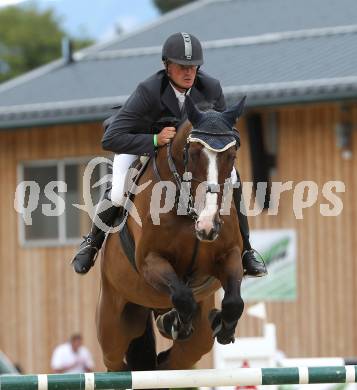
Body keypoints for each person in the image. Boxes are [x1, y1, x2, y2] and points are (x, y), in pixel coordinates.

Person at [71, 32, 267, 278]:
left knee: (234, 179)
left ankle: (247, 251)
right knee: (120, 191)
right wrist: (154, 139)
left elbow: (225, 128)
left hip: (190, 154)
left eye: (193, 67)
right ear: (167, 66)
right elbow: (110, 139)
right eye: (182, 67)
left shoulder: (211, 88)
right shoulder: (149, 91)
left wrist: (228, 141)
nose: (189, 73)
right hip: (139, 143)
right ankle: (92, 242)